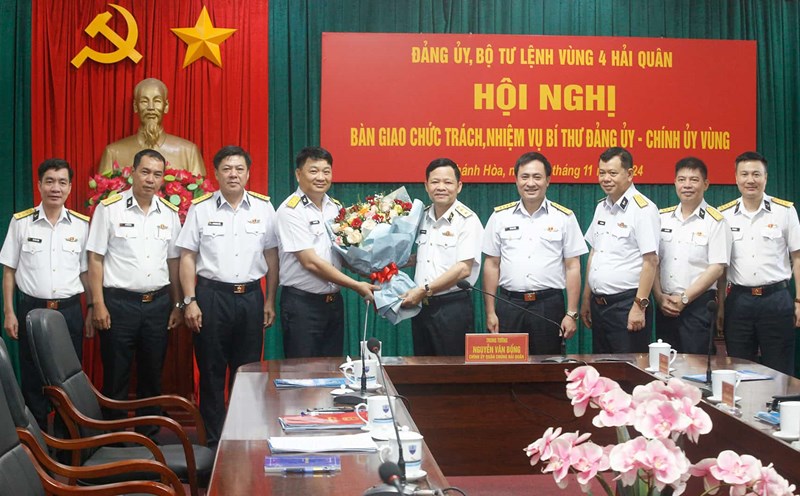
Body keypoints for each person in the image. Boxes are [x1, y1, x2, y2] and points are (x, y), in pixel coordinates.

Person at [177, 145, 279, 448]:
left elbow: (272, 257)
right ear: (216, 173)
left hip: (250, 297)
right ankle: (212, 441)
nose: (233, 174)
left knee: (247, 372)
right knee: (210, 370)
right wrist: (189, 300)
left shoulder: (264, 209)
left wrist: (269, 299)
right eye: (226, 168)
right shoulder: (201, 208)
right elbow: (187, 257)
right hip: (210, 297)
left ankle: (241, 438)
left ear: (248, 173)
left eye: (239, 169)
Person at [87, 149, 183, 435]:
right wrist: (97, 304)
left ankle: (149, 438)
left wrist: (178, 304)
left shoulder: (169, 213)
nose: (150, 179)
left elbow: (174, 262)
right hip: (118, 305)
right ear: (132, 171)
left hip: (158, 305)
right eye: (145, 172)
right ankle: (113, 441)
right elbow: (95, 259)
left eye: (157, 174)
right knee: (116, 376)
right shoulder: (110, 208)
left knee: (152, 376)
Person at [0, 159, 91, 430]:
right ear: (39, 184)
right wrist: (9, 312)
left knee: (68, 378)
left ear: (70, 188)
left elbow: (86, 273)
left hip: (70, 312)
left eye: (62, 182)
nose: (56, 188)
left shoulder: (81, 225)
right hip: (32, 310)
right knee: (33, 380)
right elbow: (9, 271)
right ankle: (39, 443)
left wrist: (92, 310)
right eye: (50, 181)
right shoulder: (22, 223)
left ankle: (67, 443)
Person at [276, 146, 377, 358]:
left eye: (326, 171)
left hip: (333, 305)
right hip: (302, 306)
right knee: (302, 375)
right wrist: (357, 285)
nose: (321, 177)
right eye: (313, 171)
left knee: (332, 371)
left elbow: (344, 255)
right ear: (298, 174)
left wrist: (376, 272)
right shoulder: (290, 210)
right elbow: (310, 262)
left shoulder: (335, 208)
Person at [482, 152, 587, 355]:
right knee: (508, 371)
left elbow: (573, 266)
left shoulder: (564, 217)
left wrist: (571, 313)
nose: (530, 183)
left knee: (548, 369)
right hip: (509, 305)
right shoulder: (499, 217)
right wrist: (490, 311)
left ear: (548, 180)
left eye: (537, 177)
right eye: (525, 177)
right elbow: (491, 264)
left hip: (548, 305)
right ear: (516, 180)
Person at [717, 151, 800, 375]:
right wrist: (722, 305)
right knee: (738, 368)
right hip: (739, 301)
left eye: (756, 174)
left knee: (780, 370)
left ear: (766, 177)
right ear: (735, 178)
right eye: (744, 174)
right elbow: (721, 267)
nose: (750, 180)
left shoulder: (784, 211)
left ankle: (780, 409)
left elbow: (797, 257)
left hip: (776, 299)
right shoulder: (723, 215)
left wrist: (799, 300)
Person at [401, 158, 483, 357]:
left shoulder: (467, 220)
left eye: (448, 182)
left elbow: (463, 268)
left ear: (459, 186)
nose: (441, 187)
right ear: (426, 186)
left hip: (452, 308)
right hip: (421, 308)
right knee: (423, 369)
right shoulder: (422, 217)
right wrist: (389, 264)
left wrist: (425, 290)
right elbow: (420, 257)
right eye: (435, 182)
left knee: (452, 373)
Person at [581, 147, 660, 354]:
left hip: (627, 306)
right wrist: (586, 299)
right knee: (603, 374)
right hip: (599, 306)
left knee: (628, 373)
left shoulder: (643, 209)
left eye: (612, 173)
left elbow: (650, 261)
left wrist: (639, 306)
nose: (606, 178)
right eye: (601, 172)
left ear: (630, 174)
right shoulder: (602, 207)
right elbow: (594, 253)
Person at [653, 157, 731, 354]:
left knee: (695, 369)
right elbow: (653, 261)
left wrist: (685, 299)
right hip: (665, 306)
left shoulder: (716, 221)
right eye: (682, 179)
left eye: (694, 180)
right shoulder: (661, 218)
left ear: (705, 184)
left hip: (698, 307)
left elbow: (717, 267)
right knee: (664, 370)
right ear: (675, 183)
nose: (687, 185)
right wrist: (659, 296)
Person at [98, 78, 205, 176]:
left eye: (157, 101)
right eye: (144, 101)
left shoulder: (188, 152)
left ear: (166, 106)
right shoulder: (113, 153)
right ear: (136, 106)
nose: (151, 107)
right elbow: (103, 194)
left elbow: (201, 195)